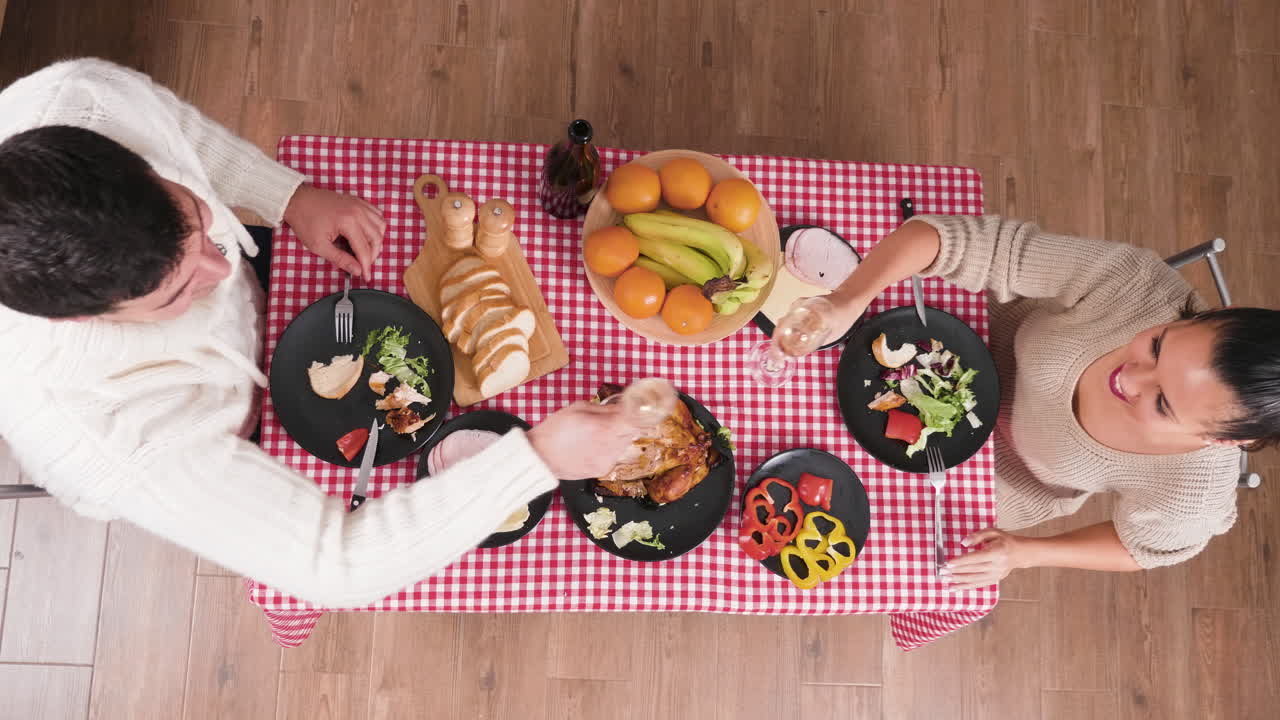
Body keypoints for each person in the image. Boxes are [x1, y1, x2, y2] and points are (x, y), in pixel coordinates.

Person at [0, 58, 642, 607]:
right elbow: (337, 566)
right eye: (177, 292)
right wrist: (539, 458)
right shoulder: (107, 437)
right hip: (206, 428)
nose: (225, 265)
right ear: (81, 317)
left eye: (194, 217)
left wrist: (287, 197)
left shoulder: (78, 99)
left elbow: (180, 134)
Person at [827, 214, 1278, 590]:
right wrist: (847, 299)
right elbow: (955, 241)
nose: (1129, 379)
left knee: (848, 528)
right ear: (1204, 317)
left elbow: (1140, 547)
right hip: (965, 335)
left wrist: (1023, 554)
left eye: (1163, 404)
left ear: (1218, 440)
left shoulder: (1193, 493)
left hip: (997, 482)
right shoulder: (1139, 288)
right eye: (1158, 346)